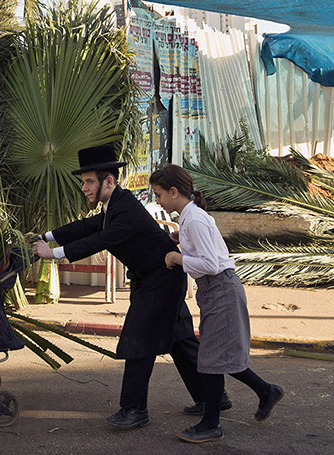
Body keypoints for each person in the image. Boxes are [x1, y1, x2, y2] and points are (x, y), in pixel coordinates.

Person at [28, 144, 224, 430]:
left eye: (89, 181)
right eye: (83, 182)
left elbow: (99, 240)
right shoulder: (113, 206)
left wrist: (53, 253)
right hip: (155, 278)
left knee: (138, 340)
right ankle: (211, 398)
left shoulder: (126, 209)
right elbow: (86, 228)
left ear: (109, 181)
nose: (84, 188)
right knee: (180, 338)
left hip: (162, 279)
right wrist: (44, 236)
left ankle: (134, 409)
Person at [149, 164, 284, 443]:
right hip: (216, 290)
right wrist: (182, 243)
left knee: (210, 359)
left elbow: (209, 264)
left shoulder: (194, 219)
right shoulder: (190, 218)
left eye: (160, 194)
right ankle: (266, 392)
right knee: (222, 357)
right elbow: (206, 252)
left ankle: (211, 423)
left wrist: (178, 258)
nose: (158, 200)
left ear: (174, 192)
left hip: (220, 288)